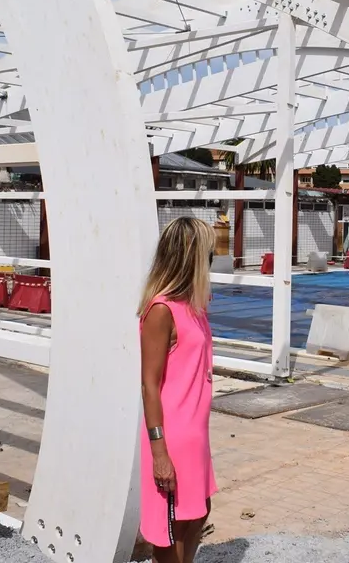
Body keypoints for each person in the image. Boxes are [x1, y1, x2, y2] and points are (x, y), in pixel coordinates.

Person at [138, 217, 217, 563]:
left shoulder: (194, 307)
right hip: (171, 435)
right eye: (209, 255)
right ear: (192, 259)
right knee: (172, 530)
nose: (213, 260)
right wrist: (159, 453)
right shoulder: (161, 310)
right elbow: (149, 385)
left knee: (199, 511)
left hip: (195, 433)